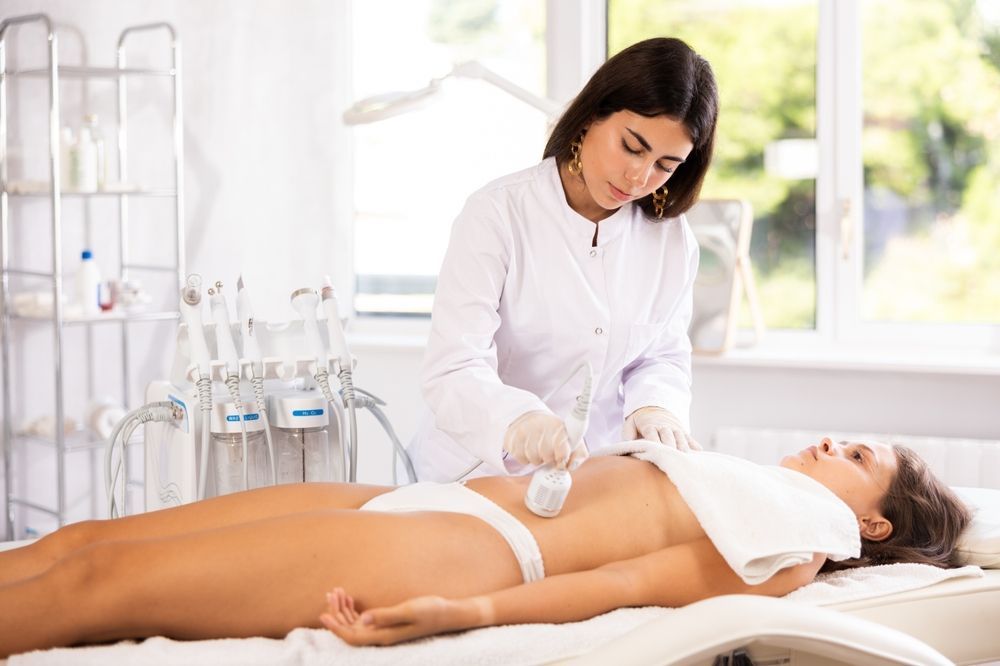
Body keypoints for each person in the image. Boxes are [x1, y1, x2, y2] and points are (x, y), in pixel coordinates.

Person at [0, 438, 970, 656]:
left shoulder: (799, 538)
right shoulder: (746, 475)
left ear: (872, 523)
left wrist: (469, 614)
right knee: (80, 540)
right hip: (412, 499)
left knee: (98, 583)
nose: (828, 445)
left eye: (856, 456)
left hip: (475, 548)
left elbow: (627, 583)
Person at [409, 37, 719, 482]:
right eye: (632, 147)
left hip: (592, 476)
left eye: (665, 165)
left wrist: (656, 407)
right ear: (594, 114)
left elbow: (659, 356)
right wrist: (518, 421)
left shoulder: (669, 239)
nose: (639, 177)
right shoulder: (498, 214)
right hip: (475, 473)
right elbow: (454, 366)